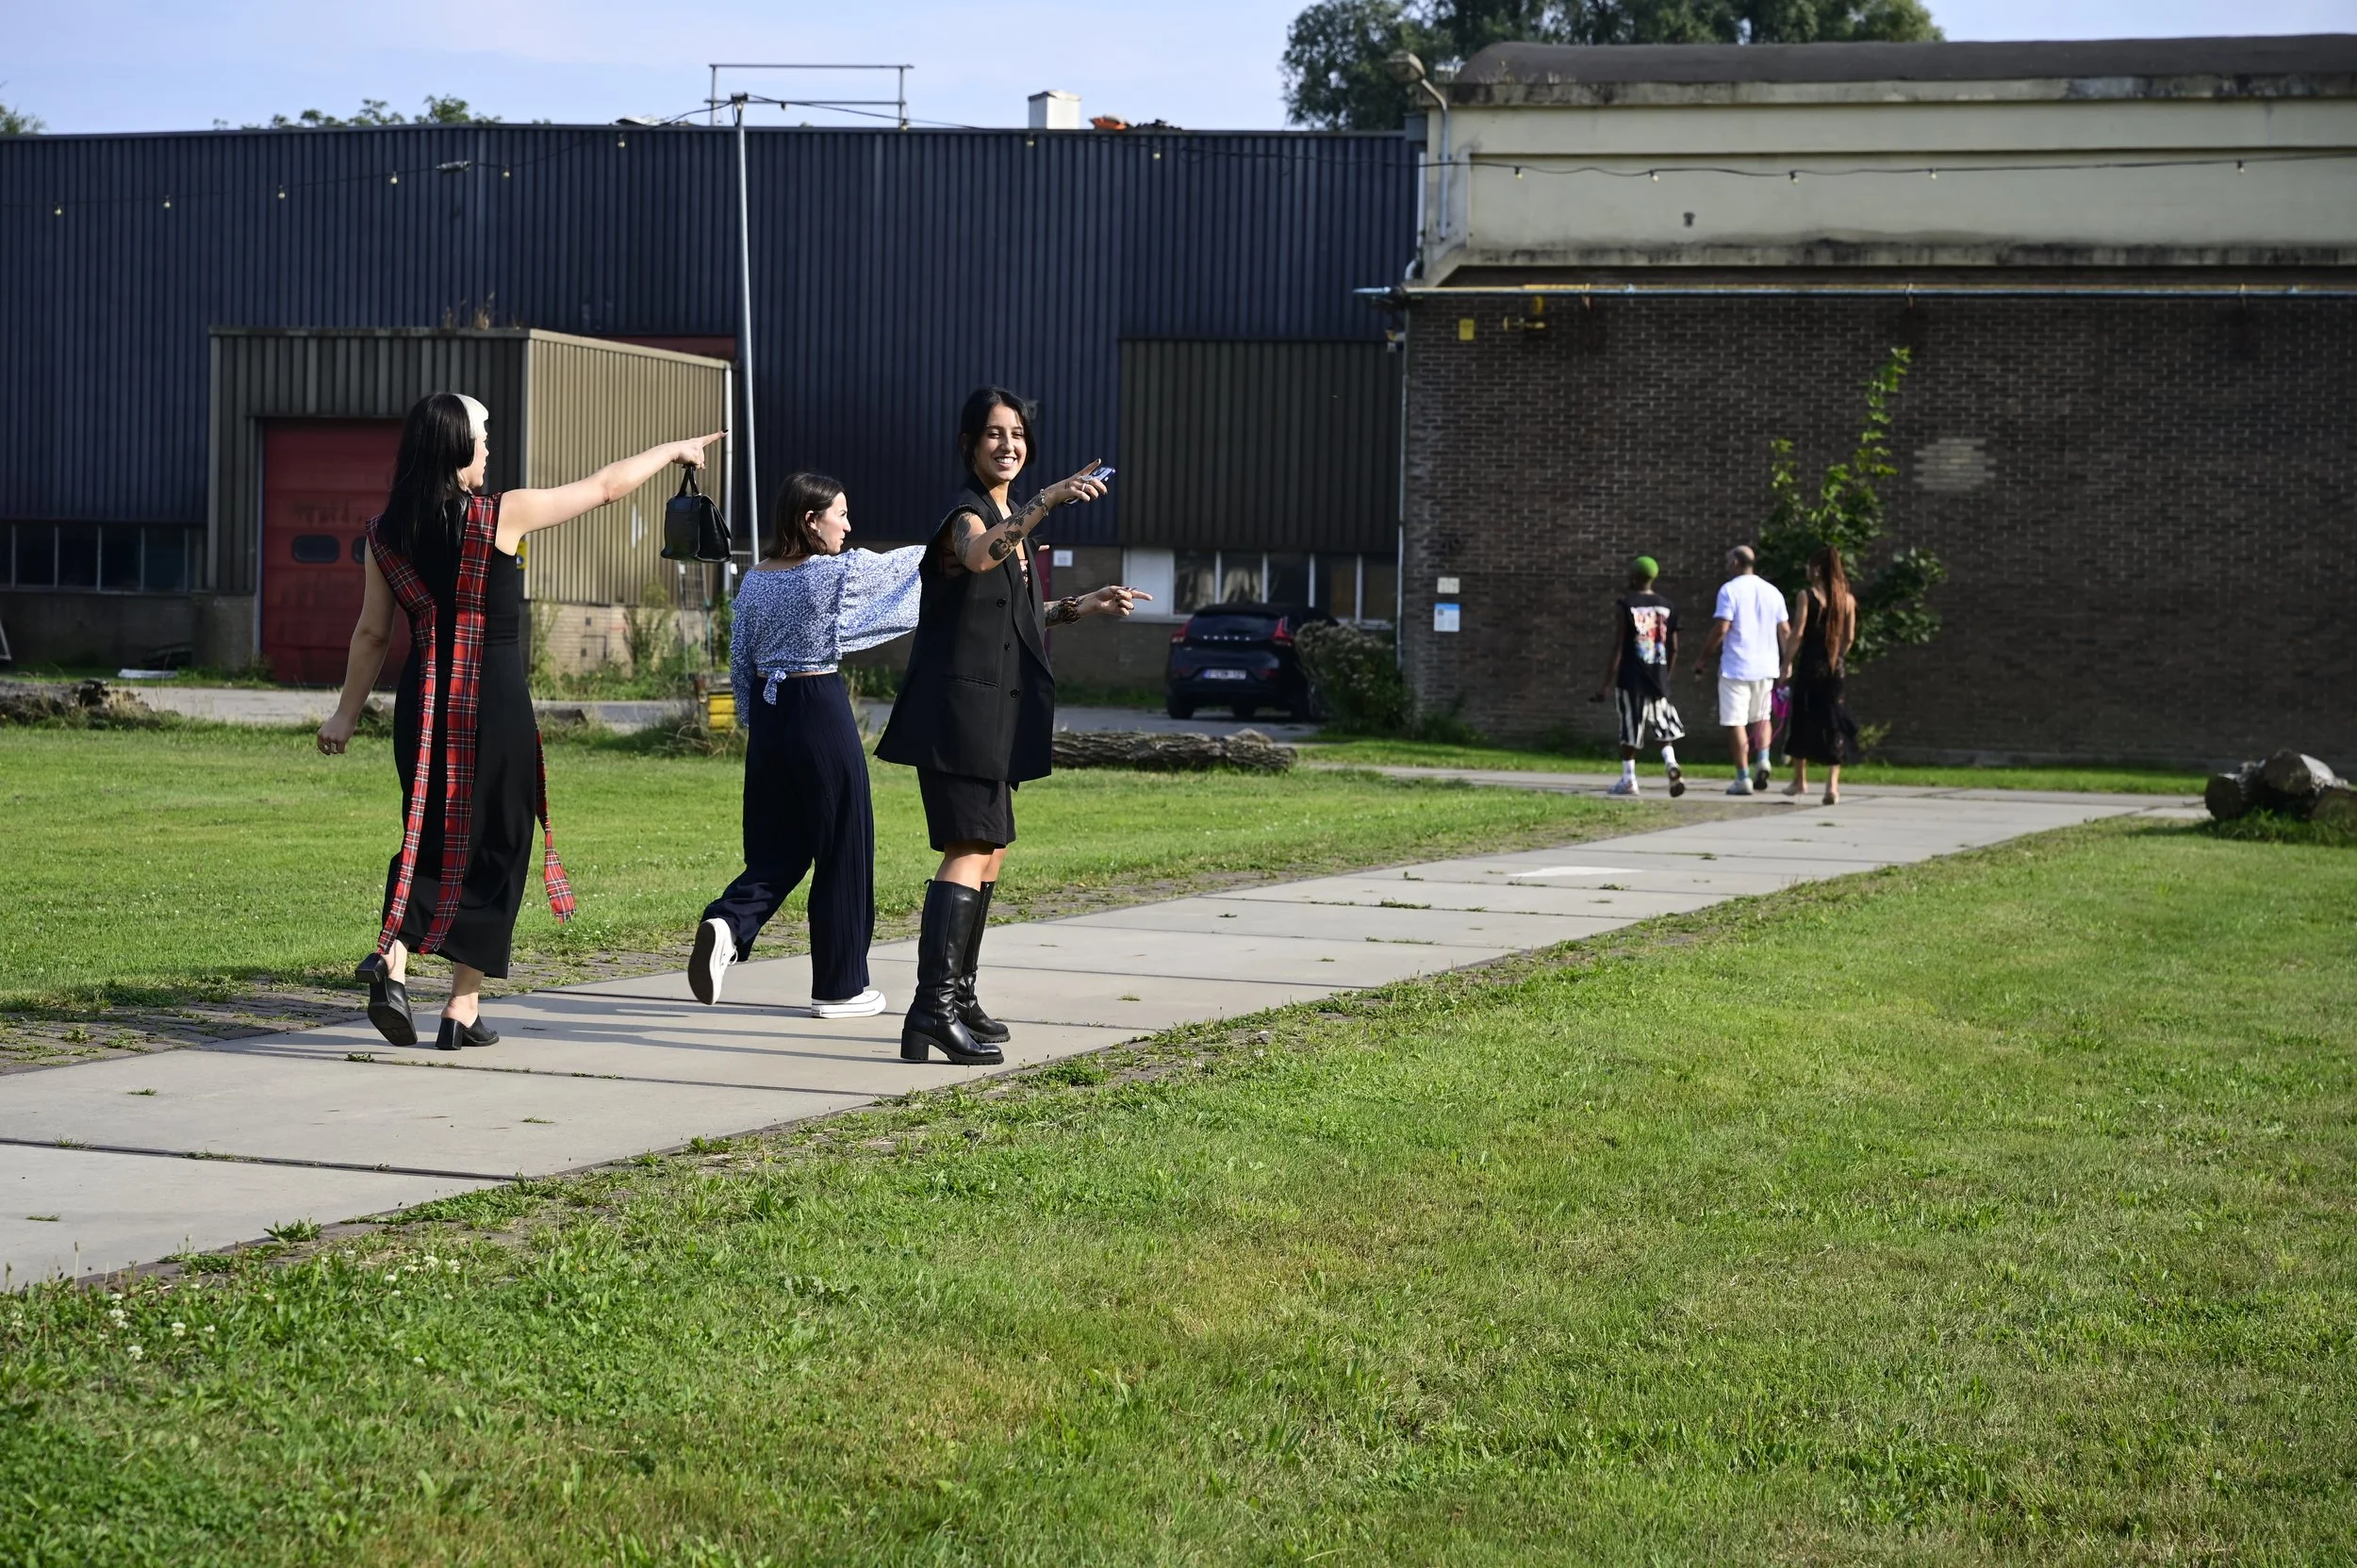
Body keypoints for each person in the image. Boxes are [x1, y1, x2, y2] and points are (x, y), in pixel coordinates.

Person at [318, 391, 719, 1051]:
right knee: (499, 843)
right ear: (458, 449)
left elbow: (370, 633)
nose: (488, 449)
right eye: (482, 437)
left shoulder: (384, 533)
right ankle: (460, 1007)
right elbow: (608, 487)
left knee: (430, 831)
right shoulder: (503, 513)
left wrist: (343, 713)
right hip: (493, 699)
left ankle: (393, 956)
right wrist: (675, 451)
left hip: (425, 699)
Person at [875, 386, 1150, 1066]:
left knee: (991, 848)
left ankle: (957, 996)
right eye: (995, 434)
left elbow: (1012, 612)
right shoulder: (968, 517)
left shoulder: (1007, 522)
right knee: (970, 844)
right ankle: (930, 1010)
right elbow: (977, 556)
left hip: (992, 715)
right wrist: (1049, 498)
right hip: (955, 714)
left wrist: (1083, 605)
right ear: (970, 444)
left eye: (1018, 433)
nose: (1009, 445)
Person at [688, 473, 923, 1016]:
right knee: (845, 845)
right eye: (839, 513)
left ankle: (728, 922)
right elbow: (916, 567)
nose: (848, 524)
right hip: (818, 706)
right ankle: (841, 988)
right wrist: (996, 542)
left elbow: (739, 660)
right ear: (809, 520)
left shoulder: (754, 581)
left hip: (770, 718)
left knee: (781, 848)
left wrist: (761, 728)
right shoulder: (831, 574)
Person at [1694, 544, 1789, 796]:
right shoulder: (1773, 592)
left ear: (1736, 563)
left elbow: (1722, 627)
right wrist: (1786, 663)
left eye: (1728, 562)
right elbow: (1785, 631)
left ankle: (1742, 777)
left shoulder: (1729, 591)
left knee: (1736, 721)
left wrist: (1704, 656)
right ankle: (1764, 759)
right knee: (1763, 717)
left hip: (1736, 666)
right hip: (1766, 666)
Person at [1589, 554, 1686, 798]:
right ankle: (1671, 764)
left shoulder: (1626, 604)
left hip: (1632, 677)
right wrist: (1666, 676)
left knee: (1630, 728)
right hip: (1658, 675)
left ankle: (1629, 779)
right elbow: (1674, 647)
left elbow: (1619, 647)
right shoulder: (1668, 606)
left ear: (1633, 576)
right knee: (1663, 726)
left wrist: (1605, 685)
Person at [1781, 544, 1862, 805]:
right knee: (1833, 721)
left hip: (1810, 665)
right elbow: (1849, 637)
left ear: (1817, 569)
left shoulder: (1807, 596)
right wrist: (1837, 656)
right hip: (1834, 668)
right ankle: (1832, 787)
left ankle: (1800, 780)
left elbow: (1798, 633)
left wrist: (1786, 663)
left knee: (1803, 717)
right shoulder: (1847, 599)